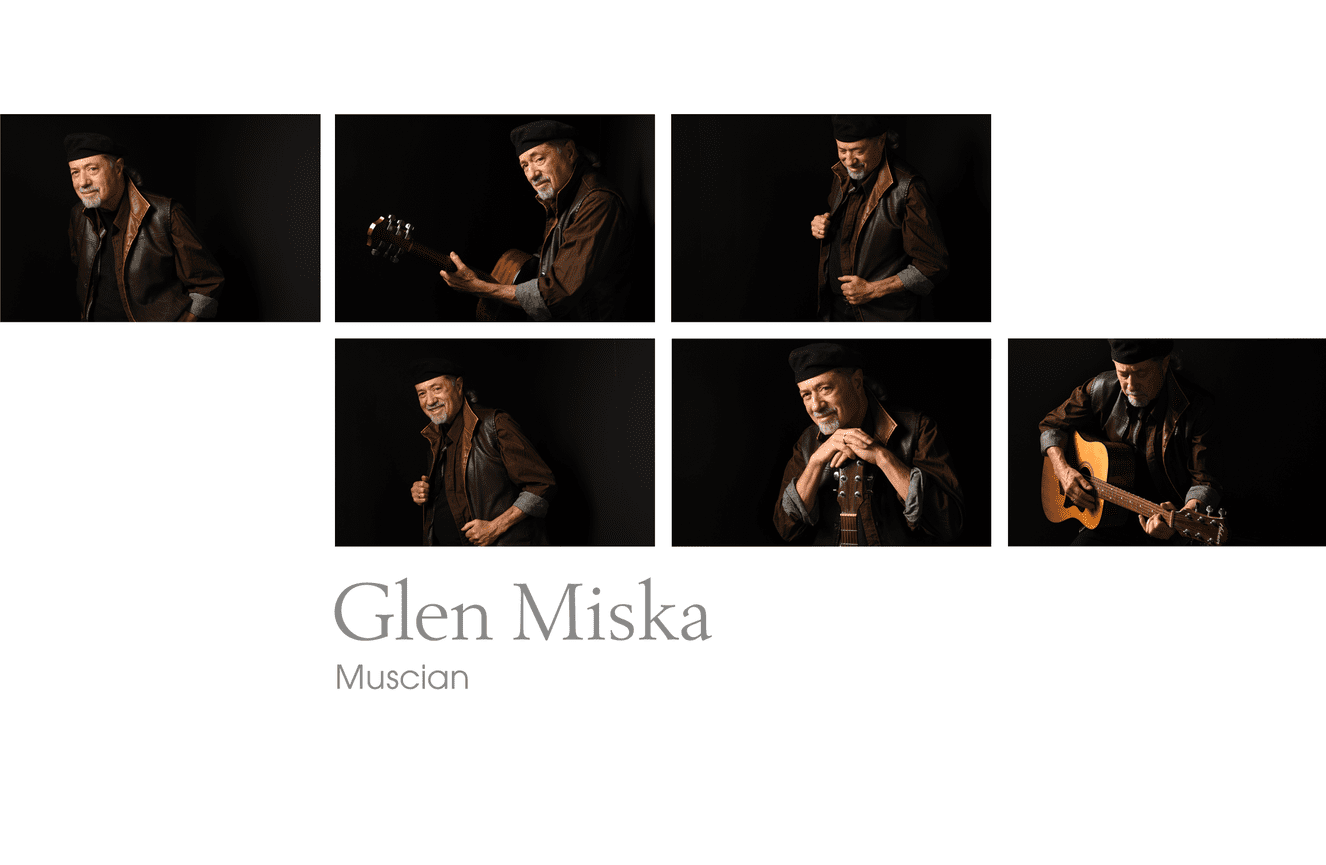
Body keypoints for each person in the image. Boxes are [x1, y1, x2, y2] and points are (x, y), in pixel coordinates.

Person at [439, 119, 632, 321]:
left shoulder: (598, 204)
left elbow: (555, 296)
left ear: (569, 152)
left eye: (539, 159)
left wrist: (482, 288)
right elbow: (551, 264)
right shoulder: (562, 198)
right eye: (524, 165)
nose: (532, 174)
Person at [774, 343, 963, 545]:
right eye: (806, 394)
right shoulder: (807, 442)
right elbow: (786, 529)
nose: (816, 406)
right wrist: (816, 461)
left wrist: (883, 457)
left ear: (856, 382)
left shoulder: (918, 430)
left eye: (825, 388)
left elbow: (948, 525)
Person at [1039, 339, 1221, 545]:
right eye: (1123, 374)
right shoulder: (1100, 388)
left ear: (1164, 363)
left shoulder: (1198, 408)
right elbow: (1052, 425)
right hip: (1110, 520)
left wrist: (1183, 516)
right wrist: (1063, 471)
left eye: (1141, 373)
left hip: (1166, 525)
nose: (1131, 385)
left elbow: (1204, 481)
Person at [65, 133, 224, 321]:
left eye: (92, 169)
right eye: (75, 172)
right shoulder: (78, 214)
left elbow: (207, 282)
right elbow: (82, 271)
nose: (83, 182)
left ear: (117, 168)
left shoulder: (165, 214)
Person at [809, 116, 948, 322]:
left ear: (881, 141)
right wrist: (822, 223)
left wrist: (872, 290)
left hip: (882, 320)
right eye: (842, 151)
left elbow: (933, 265)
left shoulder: (909, 189)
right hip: (836, 313)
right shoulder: (841, 175)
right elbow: (848, 231)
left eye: (858, 151)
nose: (849, 161)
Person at [408, 357, 556, 546]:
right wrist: (423, 493)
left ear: (459, 386)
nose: (429, 400)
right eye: (421, 393)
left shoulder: (494, 425)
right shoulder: (435, 437)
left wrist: (495, 527)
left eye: (437, 389)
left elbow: (542, 485)